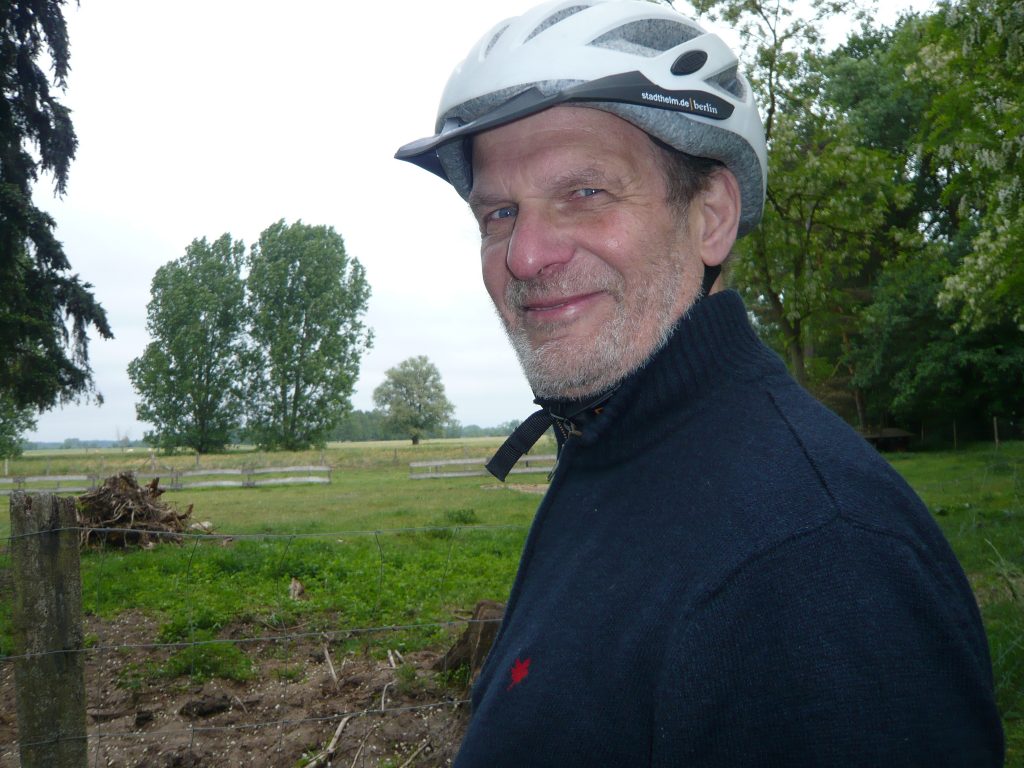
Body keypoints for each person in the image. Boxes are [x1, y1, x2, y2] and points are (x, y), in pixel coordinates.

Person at [396, 1, 1005, 764]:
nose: (524, 255)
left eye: (584, 193)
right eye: (499, 212)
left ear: (711, 215)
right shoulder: (619, 450)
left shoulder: (816, 561)